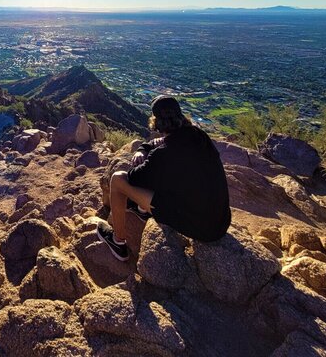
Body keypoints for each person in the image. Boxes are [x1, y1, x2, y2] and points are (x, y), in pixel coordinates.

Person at [96, 95, 231, 261]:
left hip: (202, 229)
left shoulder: (163, 155)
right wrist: (144, 148)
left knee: (118, 179)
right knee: (164, 175)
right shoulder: (199, 135)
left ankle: (118, 242)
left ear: (156, 122)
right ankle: (143, 211)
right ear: (180, 116)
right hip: (221, 221)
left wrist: (143, 156)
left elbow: (133, 179)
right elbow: (163, 141)